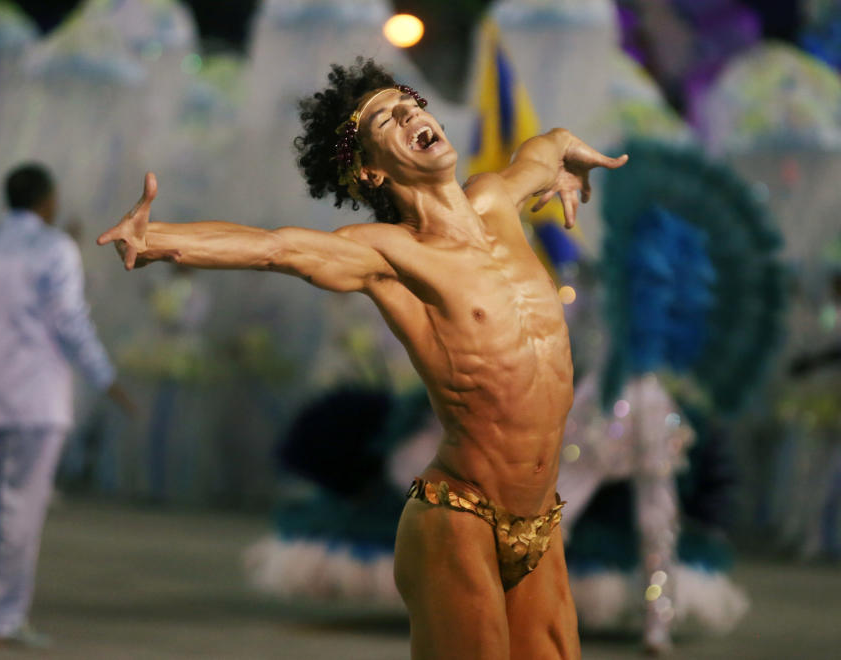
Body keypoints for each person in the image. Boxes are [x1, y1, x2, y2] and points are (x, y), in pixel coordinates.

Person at [98, 60, 626, 659]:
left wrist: (568, 153)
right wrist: (161, 239)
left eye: (410, 102)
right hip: (461, 519)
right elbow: (278, 249)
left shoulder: (497, 198)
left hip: (541, 523)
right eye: (387, 118)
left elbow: (544, 146)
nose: (411, 115)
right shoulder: (390, 255)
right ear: (369, 168)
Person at [0, 163, 135, 647]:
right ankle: (5, 618)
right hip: (34, 398)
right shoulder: (55, 249)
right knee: (22, 513)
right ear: (46, 201)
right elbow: (70, 322)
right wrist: (106, 379)